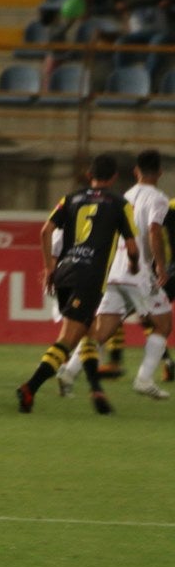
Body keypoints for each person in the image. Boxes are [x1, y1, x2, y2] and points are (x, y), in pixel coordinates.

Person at [16, 153, 138, 415]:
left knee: (88, 333)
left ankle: (97, 391)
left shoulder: (69, 199)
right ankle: (30, 387)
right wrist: (136, 265)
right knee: (67, 340)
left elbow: (45, 231)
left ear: (89, 175)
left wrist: (50, 267)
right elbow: (132, 246)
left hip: (64, 274)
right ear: (114, 177)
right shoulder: (120, 203)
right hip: (89, 278)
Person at [54, 150, 173, 400]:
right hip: (136, 271)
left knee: (102, 331)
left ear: (136, 172)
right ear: (160, 173)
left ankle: (68, 373)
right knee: (163, 322)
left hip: (112, 271)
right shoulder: (160, 199)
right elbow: (153, 230)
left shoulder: (123, 196)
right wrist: (160, 266)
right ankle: (144, 378)